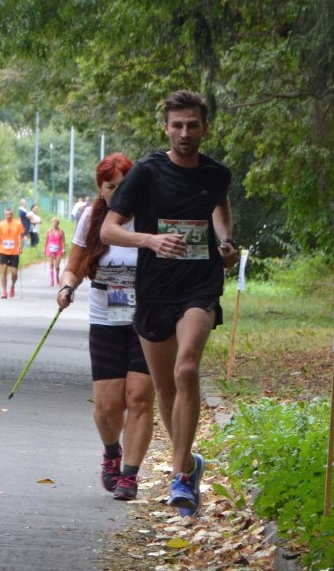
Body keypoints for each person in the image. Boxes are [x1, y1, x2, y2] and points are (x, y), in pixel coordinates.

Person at [100, 90, 237, 517]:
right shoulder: (146, 171)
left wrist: (225, 241)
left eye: (192, 125)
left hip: (199, 285)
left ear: (205, 128)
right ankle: (189, 464)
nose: (184, 133)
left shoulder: (216, 173)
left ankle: (180, 475)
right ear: (166, 128)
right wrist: (151, 239)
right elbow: (109, 229)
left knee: (188, 368)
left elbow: (219, 207)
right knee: (165, 388)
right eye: (177, 125)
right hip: (155, 289)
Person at [57, 153, 154, 501]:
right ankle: (111, 451)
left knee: (139, 397)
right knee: (108, 405)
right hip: (106, 316)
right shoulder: (92, 217)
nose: (118, 193)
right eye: (111, 187)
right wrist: (67, 286)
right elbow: (74, 267)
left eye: (124, 186)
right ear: (100, 189)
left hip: (148, 317)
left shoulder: (149, 216)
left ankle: (130, 473)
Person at [0, 207, 25, 299]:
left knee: (14, 273)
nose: (8, 216)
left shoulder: (18, 224)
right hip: (3, 250)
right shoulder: (0, 225)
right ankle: (4, 291)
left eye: (10, 214)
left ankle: (12, 286)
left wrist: (21, 247)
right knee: (3, 271)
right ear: (4, 215)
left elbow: (22, 238)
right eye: (6, 214)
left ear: (12, 215)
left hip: (14, 252)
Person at [44, 217, 66, 286]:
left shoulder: (61, 231)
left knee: (57, 266)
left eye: (56, 223)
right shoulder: (48, 231)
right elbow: (46, 240)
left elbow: (63, 241)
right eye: (53, 222)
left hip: (58, 250)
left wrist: (63, 249)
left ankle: (57, 278)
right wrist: (44, 249)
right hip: (50, 250)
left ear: (58, 224)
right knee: (51, 265)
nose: (54, 224)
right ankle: (52, 280)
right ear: (51, 223)